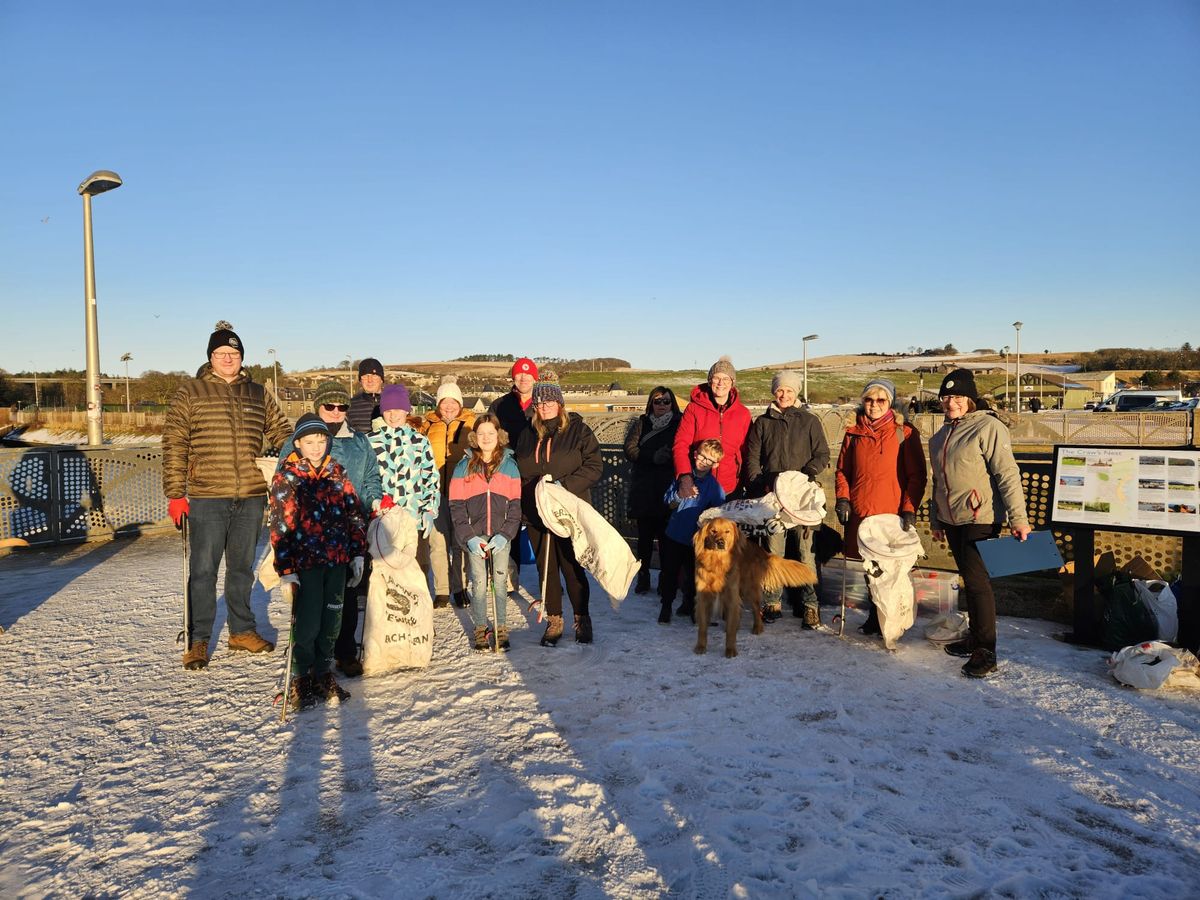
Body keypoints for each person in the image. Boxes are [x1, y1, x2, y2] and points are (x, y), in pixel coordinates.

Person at [163, 322, 291, 671]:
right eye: (221, 354)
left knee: (241, 569)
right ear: (210, 357)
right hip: (207, 495)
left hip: (250, 495)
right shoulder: (191, 392)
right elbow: (175, 443)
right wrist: (176, 494)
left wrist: (302, 454)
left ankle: (241, 631)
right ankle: (198, 639)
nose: (228, 359)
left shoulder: (257, 392)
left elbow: (281, 432)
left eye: (234, 354)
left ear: (241, 357)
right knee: (203, 571)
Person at [928, 368, 1031, 678]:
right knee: (968, 579)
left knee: (977, 582)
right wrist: (935, 519)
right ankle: (973, 637)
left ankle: (985, 649)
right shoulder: (939, 436)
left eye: (957, 397)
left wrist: (1019, 518)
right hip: (951, 518)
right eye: (946, 398)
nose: (951, 403)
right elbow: (937, 482)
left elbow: (1006, 474)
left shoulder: (988, 427)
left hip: (980, 517)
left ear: (970, 399)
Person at [276, 381, 382, 678]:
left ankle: (344, 653)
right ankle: (305, 666)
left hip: (345, 535)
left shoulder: (360, 441)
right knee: (312, 608)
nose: (336, 413)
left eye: (342, 407)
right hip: (308, 544)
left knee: (344, 602)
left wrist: (371, 501)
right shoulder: (296, 442)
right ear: (318, 407)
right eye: (329, 407)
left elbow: (372, 476)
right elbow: (282, 499)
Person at [269, 414, 367, 709]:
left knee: (332, 622)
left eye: (321, 441)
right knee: (308, 623)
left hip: (337, 560)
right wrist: (286, 569)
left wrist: (358, 551)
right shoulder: (287, 477)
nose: (316, 447)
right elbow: (280, 526)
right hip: (306, 563)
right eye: (309, 442)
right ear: (297, 443)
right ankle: (301, 675)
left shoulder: (337, 472)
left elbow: (354, 513)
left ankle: (324, 671)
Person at [834, 378, 928, 636]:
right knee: (870, 567)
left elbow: (917, 475)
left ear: (891, 403)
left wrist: (909, 507)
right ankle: (876, 615)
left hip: (890, 511)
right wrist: (843, 498)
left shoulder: (904, 432)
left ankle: (894, 615)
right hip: (862, 509)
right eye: (869, 400)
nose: (874, 405)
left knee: (892, 569)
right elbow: (843, 470)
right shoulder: (853, 432)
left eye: (880, 400)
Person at [514, 380, 603, 646]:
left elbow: (594, 465)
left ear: (560, 404)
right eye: (540, 402)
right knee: (546, 568)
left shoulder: (579, 431)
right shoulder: (527, 434)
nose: (545, 406)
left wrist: (563, 487)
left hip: (569, 509)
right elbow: (519, 467)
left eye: (550, 401)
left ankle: (581, 616)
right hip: (536, 511)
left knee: (571, 565)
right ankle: (554, 618)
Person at [743, 370, 830, 626]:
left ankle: (810, 604)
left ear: (797, 392)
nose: (784, 395)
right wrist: (761, 483)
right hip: (773, 499)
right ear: (774, 392)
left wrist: (808, 474)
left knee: (806, 555)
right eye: (780, 390)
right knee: (774, 553)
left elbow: (822, 454)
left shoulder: (810, 421)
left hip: (802, 498)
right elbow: (753, 459)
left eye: (789, 390)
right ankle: (772, 601)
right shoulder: (762, 422)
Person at [449, 415, 522, 650]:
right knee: (479, 582)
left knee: (500, 581)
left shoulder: (510, 465)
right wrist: (468, 537)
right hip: (476, 534)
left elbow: (515, 505)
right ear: (474, 437)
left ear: (499, 436)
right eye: (481, 434)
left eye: (491, 433)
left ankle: (501, 626)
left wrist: (506, 534)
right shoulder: (464, 466)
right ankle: (481, 626)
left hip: (500, 534)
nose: (486, 438)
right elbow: (456, 505)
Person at [369, 383, 441, 599]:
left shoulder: (420, 442)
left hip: (413, 519)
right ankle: (388, 622)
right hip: (383, 521)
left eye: (397, 410)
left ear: (406, 410)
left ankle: (418, 619)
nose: (393, 416)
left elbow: (430, 478)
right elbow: (367, 480)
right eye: (388, 410)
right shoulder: (371, 442)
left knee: (416, 571)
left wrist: (429, 509)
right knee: (385, 574)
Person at [420, 376, 476, 607]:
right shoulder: (427, 425)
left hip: (462, 491)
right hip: (435, 492)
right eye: (444, 402)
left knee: (460, 541)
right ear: (438, 404)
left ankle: (461, 587)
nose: (449, 406)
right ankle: (442, 590)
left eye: (453, 401)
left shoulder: (472, 423)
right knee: (438, 542)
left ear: (460, 403)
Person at [659, 439, 727, 624]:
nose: (704, 461)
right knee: (670, 574)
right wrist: (680, 495)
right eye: (702, 456)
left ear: (716, 464)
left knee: (696, 576)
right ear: (695, 454)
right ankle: (666, 607)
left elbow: (719, 511)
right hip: (674, 534)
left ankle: (695, 611)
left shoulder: (714, 487)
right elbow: (668, 501)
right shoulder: (683, 477)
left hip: (696, 540)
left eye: (710, 460)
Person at [623, 387, 681, 596]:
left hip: (668, 489)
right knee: (645, 539)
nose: (662, 405)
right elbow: (629, 448)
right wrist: (652, 456)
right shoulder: (642, 423)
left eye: (666, 401)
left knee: (668, 540)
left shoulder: (679, 423)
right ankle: (644, 576)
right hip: (645, 490)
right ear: (651, 403)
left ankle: (667, 578)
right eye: (657, 401)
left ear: (672, 403)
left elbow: (684, 449)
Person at [489, 357, 539, 590]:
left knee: (538, 524)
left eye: (528, 375)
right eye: (519, 374)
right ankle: (510, 576)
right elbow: (489, 434)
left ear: (535, 378)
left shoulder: (543, 403)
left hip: (536, 473)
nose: (523, 378)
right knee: (508, 523)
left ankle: (545, 579)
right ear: (513, 377)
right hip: (507, 470)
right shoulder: (500, 405)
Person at [672, 356, 752, 501]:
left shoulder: (743, 414)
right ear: (710, 381)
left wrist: (748, 485)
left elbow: (746, 452)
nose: (721, 383)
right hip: (697, 486)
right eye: (716, 378)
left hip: (730, 488)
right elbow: (681, 445)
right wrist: (685, 477)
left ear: (732, 383)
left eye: (726, 379)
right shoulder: (694, 409)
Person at [348, 357, 385, 434]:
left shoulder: (393, 403)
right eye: (365, 376)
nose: (370, 380)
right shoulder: (350, 405)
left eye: (374, 375)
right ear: (360, 380)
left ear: (381, 379)